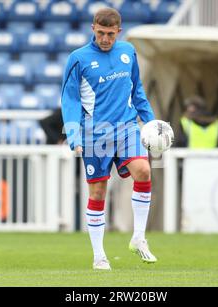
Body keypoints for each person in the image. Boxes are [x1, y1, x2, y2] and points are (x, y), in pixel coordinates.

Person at [61, 8, 157, 270]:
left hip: (127, 127)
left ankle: (138, 237)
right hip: (95, 132)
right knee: (98, 191)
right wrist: (73, 135)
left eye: (110, 34)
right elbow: (69, 99)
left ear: (118, 32)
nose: (105, 39)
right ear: (93, 28)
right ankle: (99, 256)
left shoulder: (128, 52)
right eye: (101, 33)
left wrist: (150, 122)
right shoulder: (78, 59)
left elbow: (136, 89)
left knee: (144, 171)